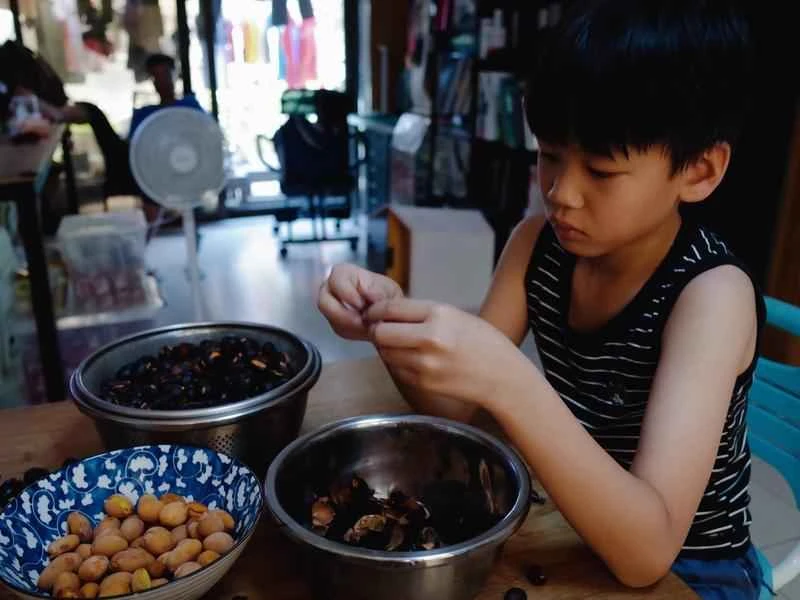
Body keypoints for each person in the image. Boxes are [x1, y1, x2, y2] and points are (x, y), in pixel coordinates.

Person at [317, 1, 768, 598]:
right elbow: (450, 408)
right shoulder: (537, 247)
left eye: (602, 172)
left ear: (701, 171)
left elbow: (647, 553)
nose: (561, 193)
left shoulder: (711, 296)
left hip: (692, 570)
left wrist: (509, 381)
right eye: (549, 155)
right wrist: (389, 320)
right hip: (580, 525)